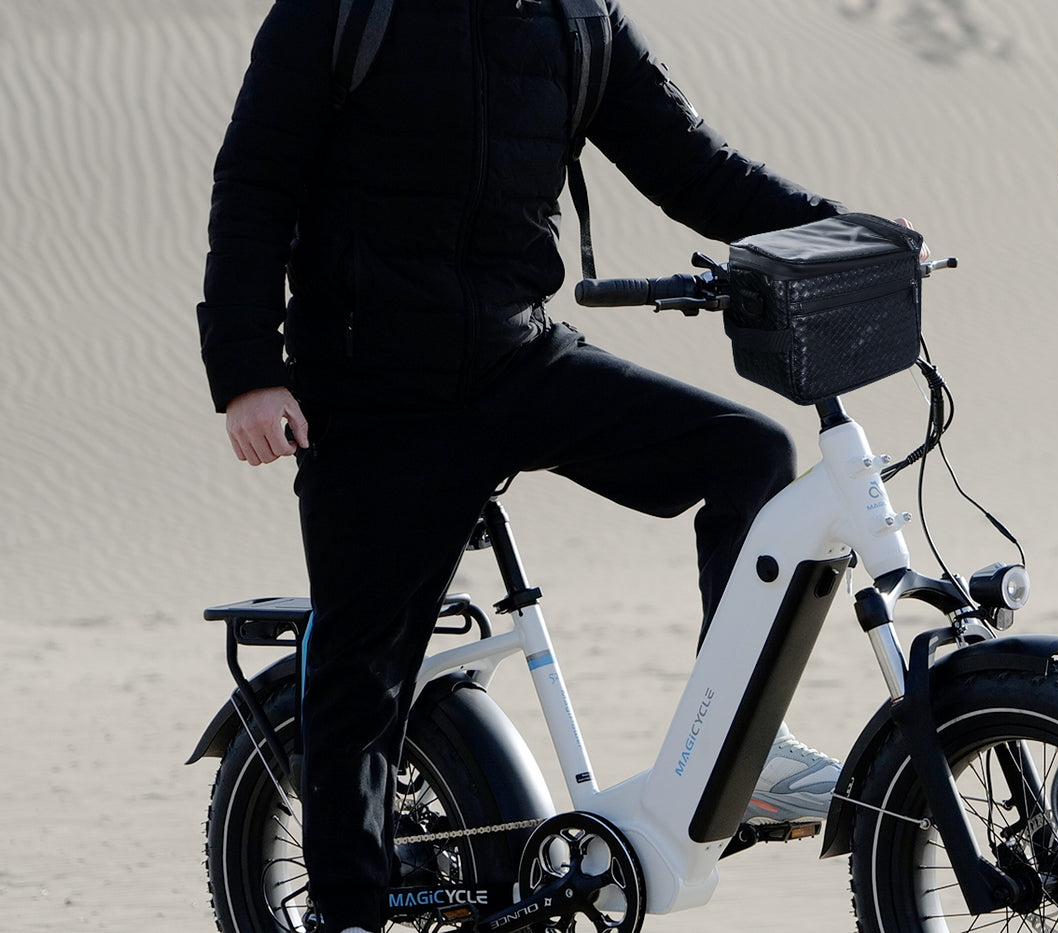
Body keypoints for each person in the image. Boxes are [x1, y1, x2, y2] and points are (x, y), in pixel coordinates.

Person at [199, 2, 851, 931]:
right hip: (371, 389)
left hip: (519, 361)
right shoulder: (344, 11)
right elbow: (254, 181)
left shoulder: (574, 18)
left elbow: (690, 164)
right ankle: (345, 914)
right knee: (362, 668)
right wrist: (246, 374)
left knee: (748, 454)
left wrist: (836, 230)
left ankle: (740, 760)